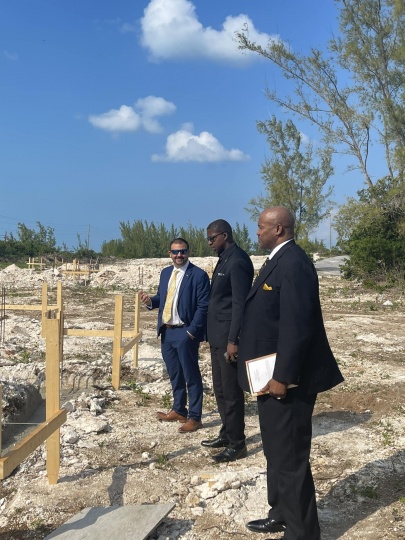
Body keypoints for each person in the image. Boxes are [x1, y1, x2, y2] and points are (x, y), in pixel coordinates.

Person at [237, 207, 344, 539]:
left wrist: (283, 376)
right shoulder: (276, 260)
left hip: (286, 381)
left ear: (279, 229)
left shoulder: (295, 263)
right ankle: (280, 512)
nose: (257, 233)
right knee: (276, 453)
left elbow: (298, 327)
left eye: (261, 227)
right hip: (267, 376)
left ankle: (302, 533)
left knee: (291, 459)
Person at [139, 237, 210, 433]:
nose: (179, 255)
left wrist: (192, 332)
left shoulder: (198, 275)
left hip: (185, 333)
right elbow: (162, 298)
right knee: (175, 374)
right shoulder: (166, 273)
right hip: (167, 333)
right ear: (169, 254)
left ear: (188, 252)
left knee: (191, 375)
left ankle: (195, 417)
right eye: (175, 252)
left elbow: (204, 307)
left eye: (183, 251)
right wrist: (149, 301)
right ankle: (179, 410)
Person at [202, 219, 254, 463]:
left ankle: (237, 443)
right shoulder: (224, 259)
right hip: (217, 336)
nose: (210, 243)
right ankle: (226, 431)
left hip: (228, 339)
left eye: (212, 238)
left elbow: (239, 304)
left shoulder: (238, 261)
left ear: (224, 235)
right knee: (220, 390)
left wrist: (234, 339)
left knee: (232, 392)